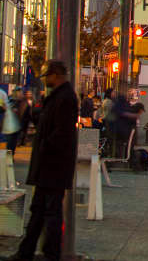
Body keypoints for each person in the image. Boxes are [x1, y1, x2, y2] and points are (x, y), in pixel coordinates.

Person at [10, 61, 78, 261]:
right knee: (40, 210)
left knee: (49, 211)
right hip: (49, 165)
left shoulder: (64, 98)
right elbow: (42, 122)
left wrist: (46, 147)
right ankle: (27, 251)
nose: (45, 80)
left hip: (53, 165)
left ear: (55, 75)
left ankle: (49, 253)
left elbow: (61, 133)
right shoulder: (56, 98)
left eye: (46, 76)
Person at [3, 89, 23, 157]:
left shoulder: (16, 101)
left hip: (14, 127)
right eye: (19, 92)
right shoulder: (12, 101)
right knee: (10, 145)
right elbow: (11, 108)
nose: (20, 94)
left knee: (12, 145)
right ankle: (9, 158)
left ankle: (10, 158)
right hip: (10, 127)